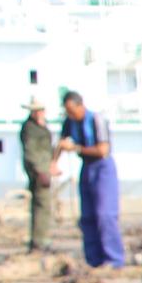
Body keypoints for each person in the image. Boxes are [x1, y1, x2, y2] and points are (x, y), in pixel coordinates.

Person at [57, 90, 124, 267]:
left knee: (105, 214)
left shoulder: (96, 120)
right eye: (67, 112)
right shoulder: (69, 122)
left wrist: (77, 148)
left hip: (102, 167)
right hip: (86, 167)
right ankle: (94, 260)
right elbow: (61, 142)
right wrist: (53, 163)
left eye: (72, 110)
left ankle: (113, 259)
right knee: (87, 216)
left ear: (81, 106)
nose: (70, 115)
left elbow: (103, 150)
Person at [18, 96, 57, 252]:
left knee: (44, 205)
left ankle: (41, 238)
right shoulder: (29, 128)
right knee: (41, 204)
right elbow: (30, 152)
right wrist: (40, 171)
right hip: (38, 171)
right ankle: (39, 241)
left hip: (45, 167)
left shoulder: (42, 126)